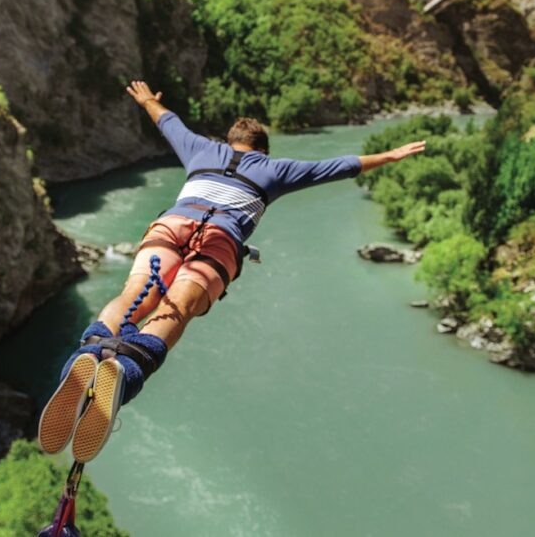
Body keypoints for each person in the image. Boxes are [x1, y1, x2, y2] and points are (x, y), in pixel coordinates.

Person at [39, 81, 426, 462]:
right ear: (263, 149)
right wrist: (390, 155)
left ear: (229, 141)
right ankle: (127, 369)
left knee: (136, 291)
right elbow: (338, 166)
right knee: (180, 304)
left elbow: (168, 121)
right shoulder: (277, 169)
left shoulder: (201, 148)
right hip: (220, 237)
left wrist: (146, 101)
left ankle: (88, 351)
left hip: (173, 224)